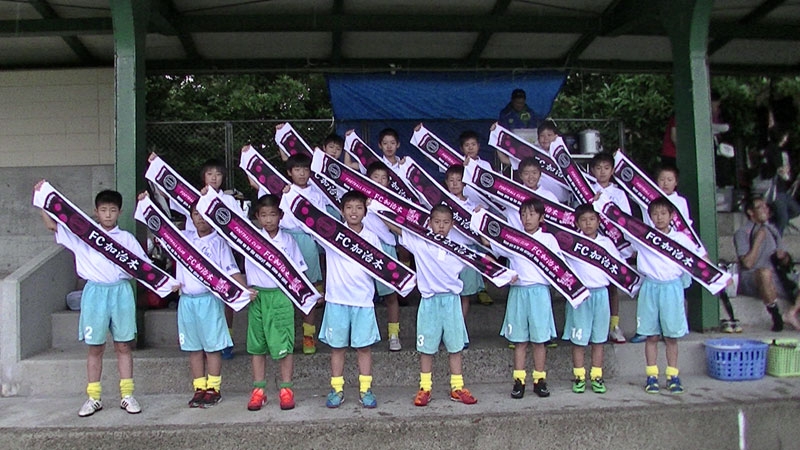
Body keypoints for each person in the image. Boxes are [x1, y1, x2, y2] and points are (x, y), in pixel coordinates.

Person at [36, 182, 147, 417]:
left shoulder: (126, 239)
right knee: (95, 347)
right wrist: (41, 200)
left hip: (121, 293)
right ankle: (93, 397)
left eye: (113, 210)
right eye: (104, 210)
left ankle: (127, 395)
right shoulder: (85, 235)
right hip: (94, 293)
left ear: (120, 212)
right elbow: (52, 225)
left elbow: (145, 268)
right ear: (96, 212)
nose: (108, 214)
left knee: (123, 345)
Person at [384, 205, 477, 407]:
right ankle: (425, 387)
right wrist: (376, 208)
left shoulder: (457, 248)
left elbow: (484, 260)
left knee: (455, 346)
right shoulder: (421, 243)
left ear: (452, 225)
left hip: (452, 301)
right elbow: (397, 228)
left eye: (445, 223)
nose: (441, 226)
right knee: (427, 348)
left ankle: (457, 386)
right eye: (437, 222)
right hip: (429, 301)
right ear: (429, 222)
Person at [170, 201, 250, 409]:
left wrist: (244, 289)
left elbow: (231, 269)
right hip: (187, 301)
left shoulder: (219, 242)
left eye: (204, 213)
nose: (200, 218)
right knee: (193, 347)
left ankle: (214, 388)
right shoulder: (183, 239)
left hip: (210, 300)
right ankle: (199, 388)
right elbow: (158, 226)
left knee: (212, 347)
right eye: (196, 213)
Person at [656, 165, 740, 333]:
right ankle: (657, 328)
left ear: (676, 182)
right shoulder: (649, 198)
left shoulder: (681, 202)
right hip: (657, 249)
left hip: (677, 248)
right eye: (662, 179)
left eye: (669, 179)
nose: (665, 183)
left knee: (677, 291)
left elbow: (685, 227)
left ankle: (675, 327)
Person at [488, 197, 558, 399]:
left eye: (532, 214)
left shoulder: (549, 240)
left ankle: (539, 379)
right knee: (519, 340)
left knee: (539, 340)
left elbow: (558, 268)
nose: (527, 218)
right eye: (524, 214)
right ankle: (519, 380)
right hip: (518, 292)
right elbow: (491, 247)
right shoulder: (513, 238)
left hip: (539, 293)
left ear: (541, 217)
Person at [634, 197, 705, 394]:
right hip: (650, 288)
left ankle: (673, 375)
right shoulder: (644, 236)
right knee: (651, 335)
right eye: (655, 214)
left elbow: (698, 258)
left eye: (663, 213)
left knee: (672, 337)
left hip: (672, 289)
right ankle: (652, 376)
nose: (659, 217)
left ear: (672, 216)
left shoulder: (681, 239)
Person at [318, 191, 382, 409]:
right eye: (349, 207)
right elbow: (304, 221)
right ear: (342, 210)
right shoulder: (332, 233)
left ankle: (365, 389)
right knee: (337, 348)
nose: (353, 212)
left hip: (363, 301)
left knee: (364, 348)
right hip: (336, 300)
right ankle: (337, 389)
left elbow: (380, 268)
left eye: (359, 207)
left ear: (365, 211)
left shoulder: (372, 237)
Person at [246, 195, 306, 412]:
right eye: (264, 215)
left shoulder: (288, 240)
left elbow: (299, 272)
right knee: (257, 345)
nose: (269, 219)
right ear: (257, 217)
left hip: (281, 296)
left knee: (284, 344)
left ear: (280, 216)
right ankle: (259, 390)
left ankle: (286, 388)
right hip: (257, 297)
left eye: (273, 214)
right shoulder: (249, 239)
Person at [563, 204, 615, 394]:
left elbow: (616, 268)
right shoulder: (572, 243)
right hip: (580, 295)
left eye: (592, 219)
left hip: (601, 294)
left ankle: (596, 376)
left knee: (598, 339)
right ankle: (579, 376)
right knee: (579, 340)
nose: (588, 223)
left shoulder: (606, 243)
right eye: (584, 220)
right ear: (577, 223)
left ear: (599, 221)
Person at [278, 153, 326, 355]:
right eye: (297, 169)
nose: (302, 173)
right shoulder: (283, 191)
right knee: (287, 289)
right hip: (286, 239)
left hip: (308, 241)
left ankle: (308, 337)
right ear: (289, 172)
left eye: (305, 169)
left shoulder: (316, 194)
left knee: (311, 290)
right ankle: (285, 338)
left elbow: (323, 222)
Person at [589, 152, 633, 344]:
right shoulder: (587, 189)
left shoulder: (619, 193)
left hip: (615, 244)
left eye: (606, 168)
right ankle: (593, 325)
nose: (602, 172)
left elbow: (626, 219)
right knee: (592, 284)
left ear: (613, 170)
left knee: (612, 286)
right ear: (592, 170)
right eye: (598, 168)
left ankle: (614, 325)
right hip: (593, 242)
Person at [733, 197, 791, 331]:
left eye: (766, 206)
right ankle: (775, 314)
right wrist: (757, 241)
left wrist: (784, 257)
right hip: (752, 277)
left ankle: (792, 313)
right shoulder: (742, 233)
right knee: (764, 273)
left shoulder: (772, 230)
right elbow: (747, 263)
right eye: (760, 207)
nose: (765, 209)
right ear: (750, 212)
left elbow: (785, 261)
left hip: (775, 276)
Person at [364, 162, 403, 351]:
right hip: (363, 249)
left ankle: (393, 334)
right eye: (375, 177)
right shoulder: (359, 200)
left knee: (390, 295)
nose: (380, 181)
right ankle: (363, 335)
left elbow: (398, 228)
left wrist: (380, 209)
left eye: (384, 178)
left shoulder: (392, 201)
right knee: (362, 294)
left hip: (386, 248)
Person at [444, 164, 490, 323]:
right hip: (448, 251)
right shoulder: (442, 204)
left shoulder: (472, 206)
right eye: (451, 180)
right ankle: (448, 326)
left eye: (459, 180)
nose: (455, 183)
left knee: (465, 294)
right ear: (446, 182)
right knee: (450, 292)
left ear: (465, 183)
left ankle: (460, 327)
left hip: (468, 252)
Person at [497, 88, 542, 176]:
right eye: (517, 103)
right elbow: (503, 131)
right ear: (512, 101)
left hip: (528, 145)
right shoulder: (505, 113)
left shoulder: (530, 112)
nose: (519, 105)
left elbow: (534, 129)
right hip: (511, 146)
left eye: (521, 103)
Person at [535, 119, 573, 203]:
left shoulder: (562, 153)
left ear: (556, 136)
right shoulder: (533, 153)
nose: (545, 139)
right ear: (538, 138)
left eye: (549, 135)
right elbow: (505, 160)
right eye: (542, 136)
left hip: (562, 202)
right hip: (540, 202)